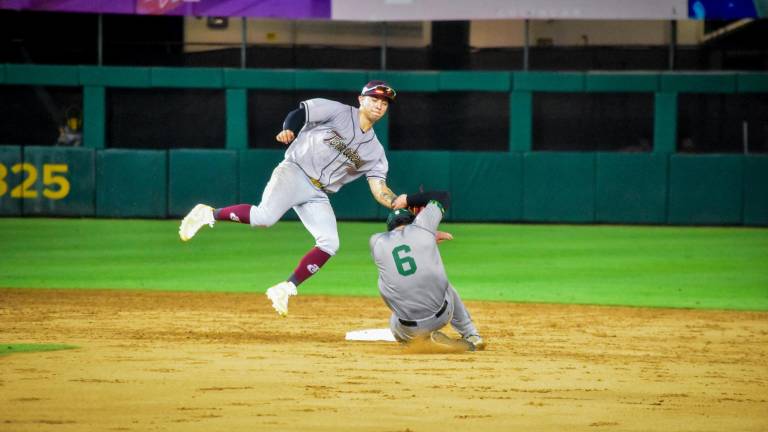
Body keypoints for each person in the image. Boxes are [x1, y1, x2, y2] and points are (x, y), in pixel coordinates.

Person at [179, 80, 407, 317]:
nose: (379, 105)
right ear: (361, 100)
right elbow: (300, 114)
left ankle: (285, 288)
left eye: (384, 102)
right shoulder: (336, 111)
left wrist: (395, 202)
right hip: (295, 171)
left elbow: (379, 187)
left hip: (319, 193)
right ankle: (207, 214)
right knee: (263, 218)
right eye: (374, 99)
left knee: (330, 243)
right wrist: (289, 128)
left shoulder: (375, 151)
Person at [369, 191, 486, 351]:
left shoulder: (376, 241)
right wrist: (408, 199)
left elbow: (400, 243)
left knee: (387, 283)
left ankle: (420, 341)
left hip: (406, 328)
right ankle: (471, 334)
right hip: (442, 316)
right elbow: (443, 196)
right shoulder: (422, 227)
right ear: (413, 221)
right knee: (445, 286)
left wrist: (427, 236)